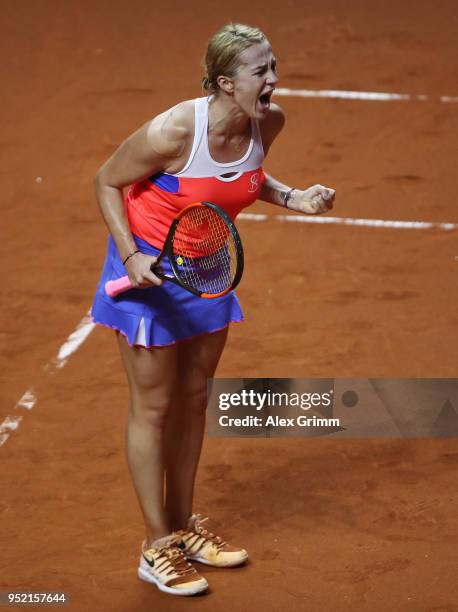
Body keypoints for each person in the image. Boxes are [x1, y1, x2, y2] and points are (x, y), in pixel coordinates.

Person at [91, 22, 335, 597]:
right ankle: (156, 547)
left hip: (205, 270)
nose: (273, 79)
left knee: (196, 396)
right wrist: (129, 256)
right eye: (260, 71)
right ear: (226, 82)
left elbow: (244, 178)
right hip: (146, 274)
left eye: (273, 66)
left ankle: (182, 524)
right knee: (154, 407)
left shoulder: (268, 122)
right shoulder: (175, 129)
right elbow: (106, 182)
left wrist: (292, 197)